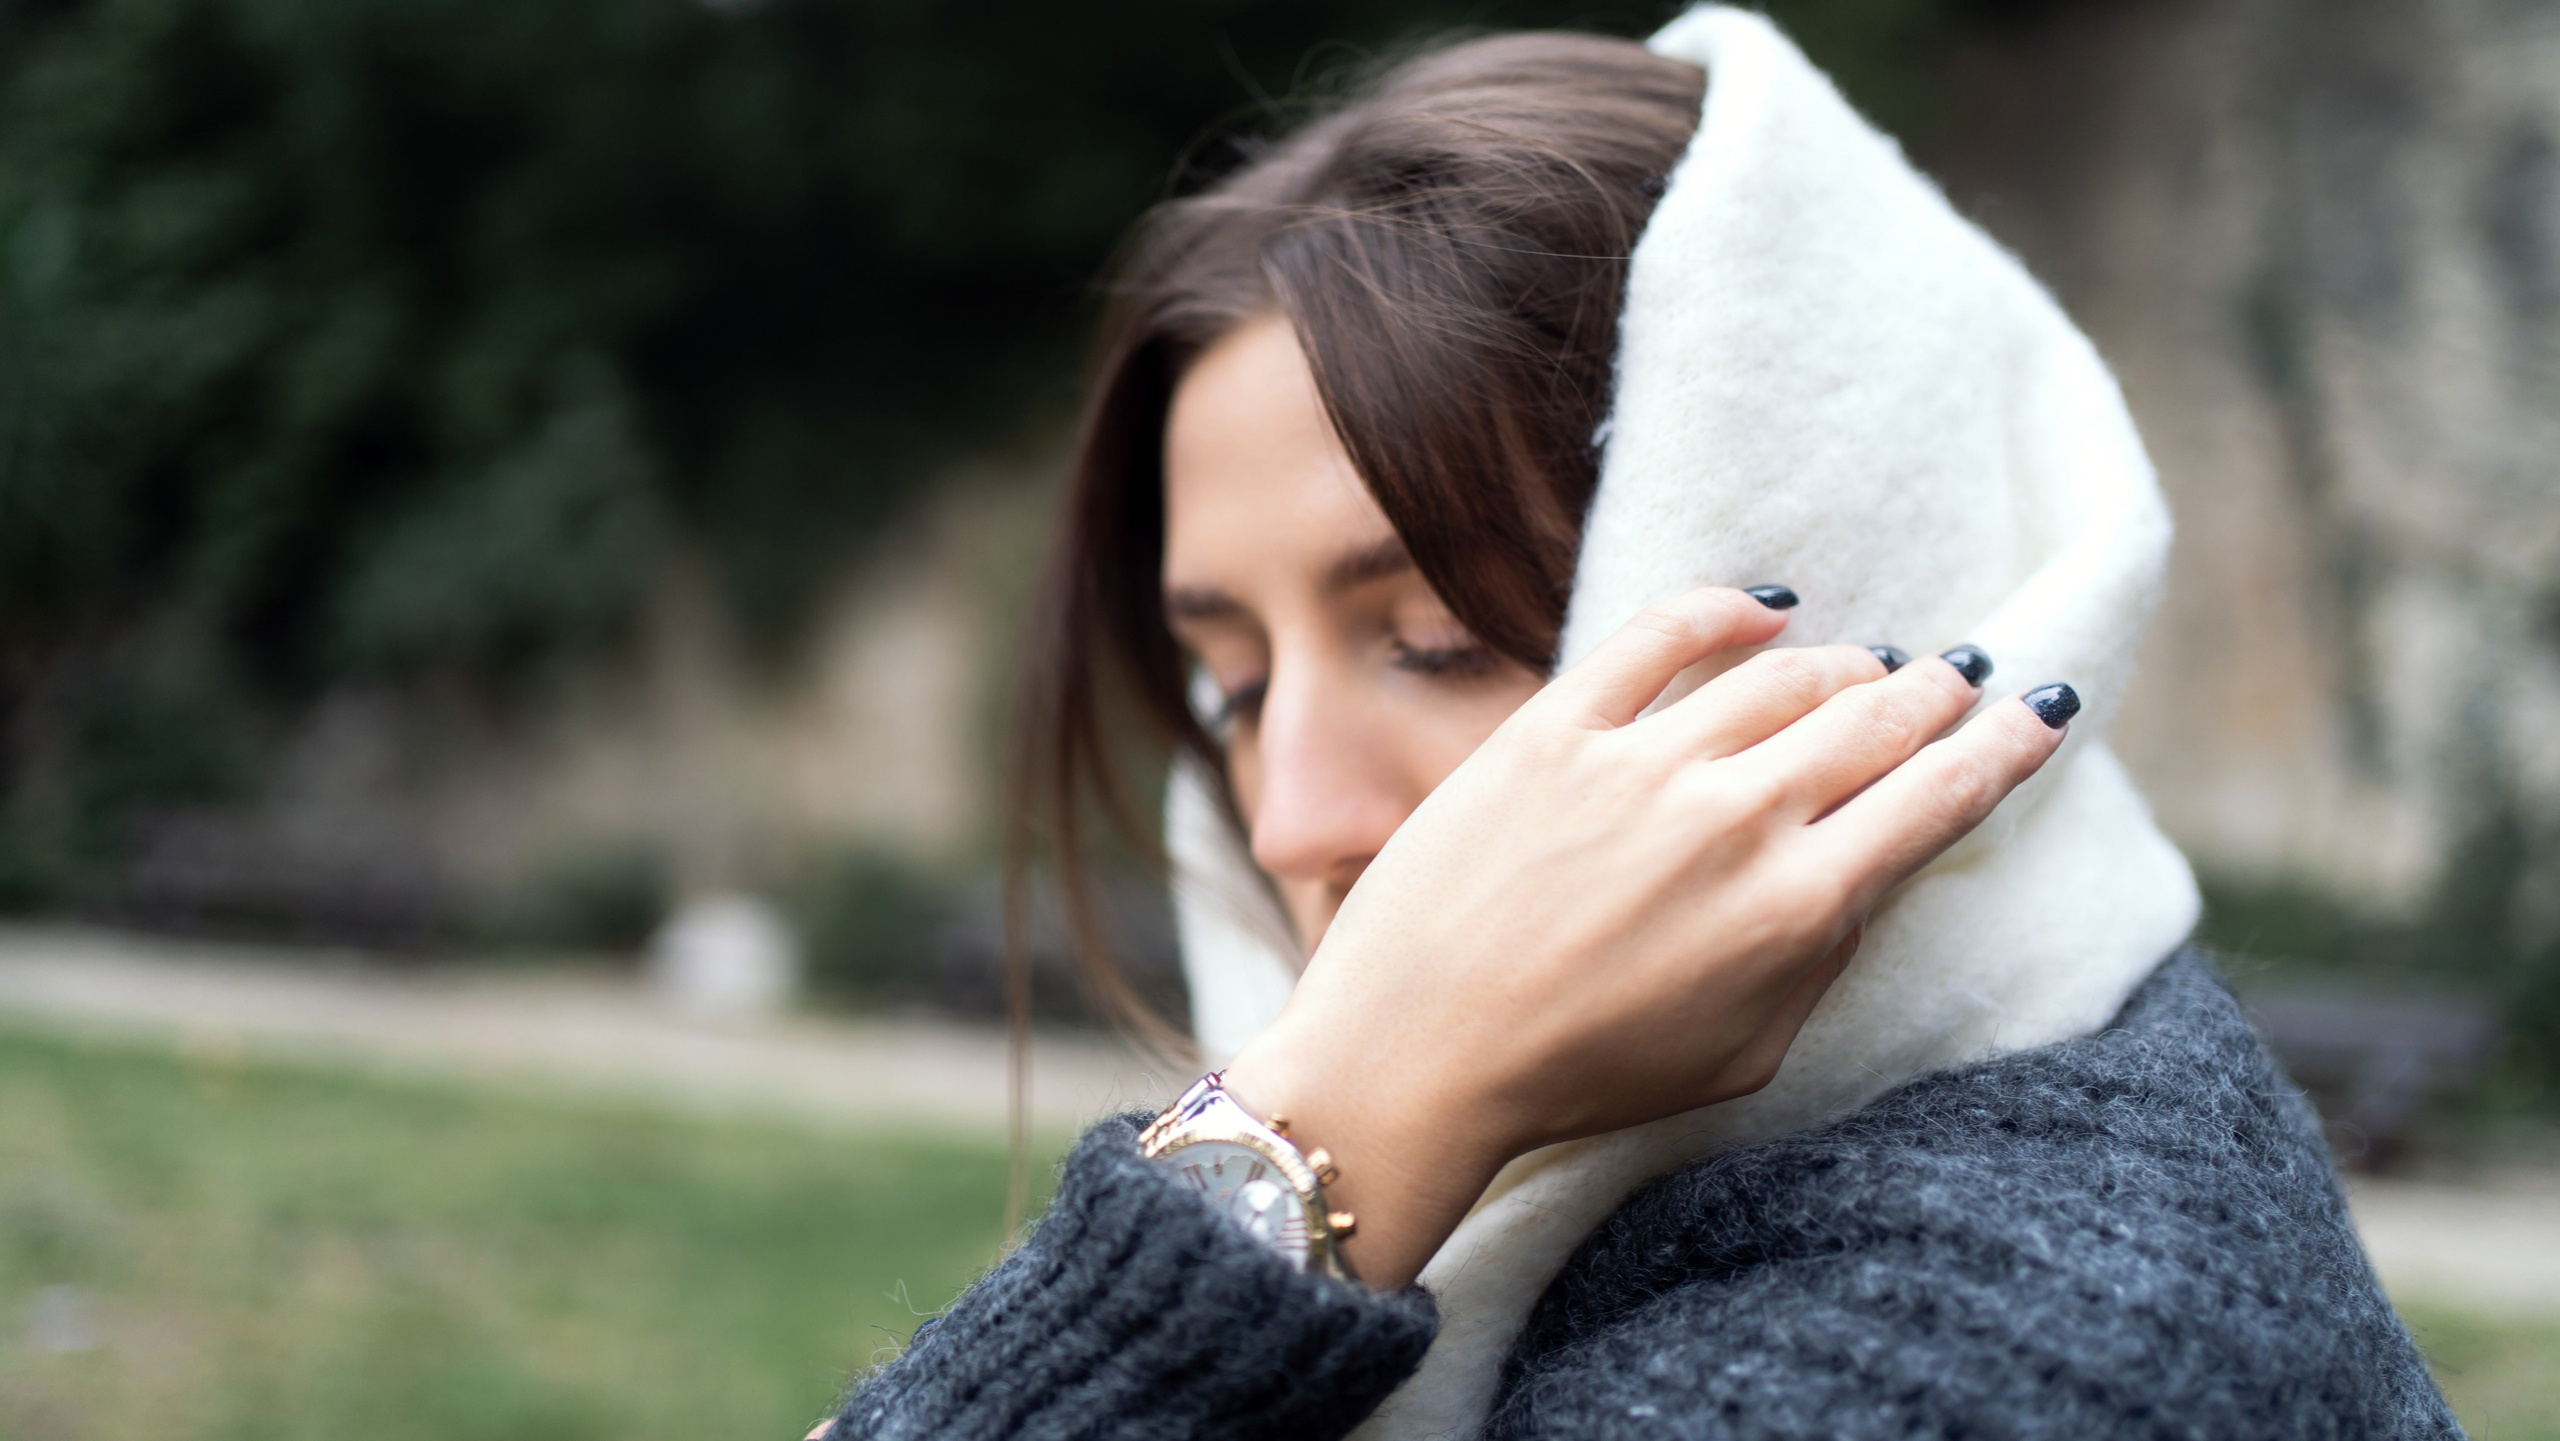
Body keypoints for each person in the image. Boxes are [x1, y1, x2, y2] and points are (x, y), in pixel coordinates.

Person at [813, 10, 2457, 1439]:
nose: (1288, 818)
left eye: (1440, 640)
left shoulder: (1994, 1340)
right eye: (1233, 689)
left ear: (1847, 599)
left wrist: (1308, 1148)